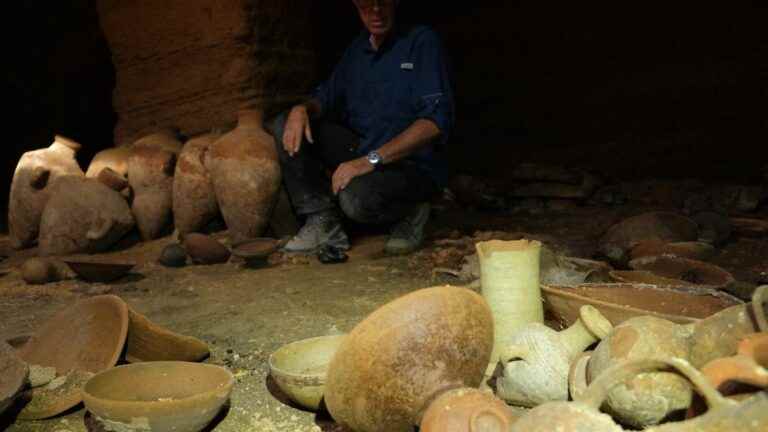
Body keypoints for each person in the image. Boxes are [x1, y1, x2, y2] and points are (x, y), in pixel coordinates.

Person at [269, 0, 454, 255]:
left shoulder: (420, 42)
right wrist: (302, 109)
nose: (376, 12)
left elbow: (435, 122)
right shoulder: (357, 51)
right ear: (356, 6)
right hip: (365, 152)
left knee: (355, 201)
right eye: (367, 5)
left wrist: (369, 160)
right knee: (285, 124)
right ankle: (322, 221)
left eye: (382, 3)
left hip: (412, 166)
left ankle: (414, 210)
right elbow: (325, 97)